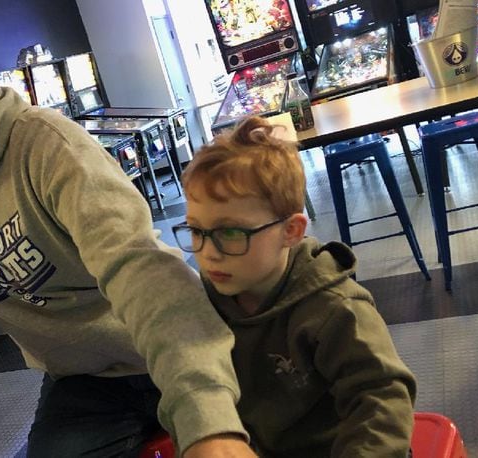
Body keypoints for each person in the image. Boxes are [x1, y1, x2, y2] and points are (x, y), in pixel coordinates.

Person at [0, 11, 256, 458]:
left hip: (176, 346)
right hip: (83, 383)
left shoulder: (46, 146)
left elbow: (140, 271)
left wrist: (209, 424)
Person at [173, 116, 417, 457]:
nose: (208, 253)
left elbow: (381, 398)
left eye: (231, 233)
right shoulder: (205, 300)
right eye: (196, 231)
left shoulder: (335, 308)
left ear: (290, 231)